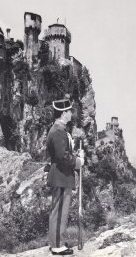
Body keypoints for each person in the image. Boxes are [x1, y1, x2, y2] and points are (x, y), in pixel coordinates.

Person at [46, 97, 84, 255]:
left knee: (61, 210)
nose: (71, 114)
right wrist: (77, 161)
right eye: (69, 112)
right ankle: (56, 245)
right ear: (63, 113)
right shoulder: (59, 132)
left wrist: (76, 155)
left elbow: (64, 153)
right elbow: (62, 157)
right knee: (60, 211)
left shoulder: (59, 130)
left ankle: (57, 241)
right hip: (61, 176)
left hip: (62, 176)